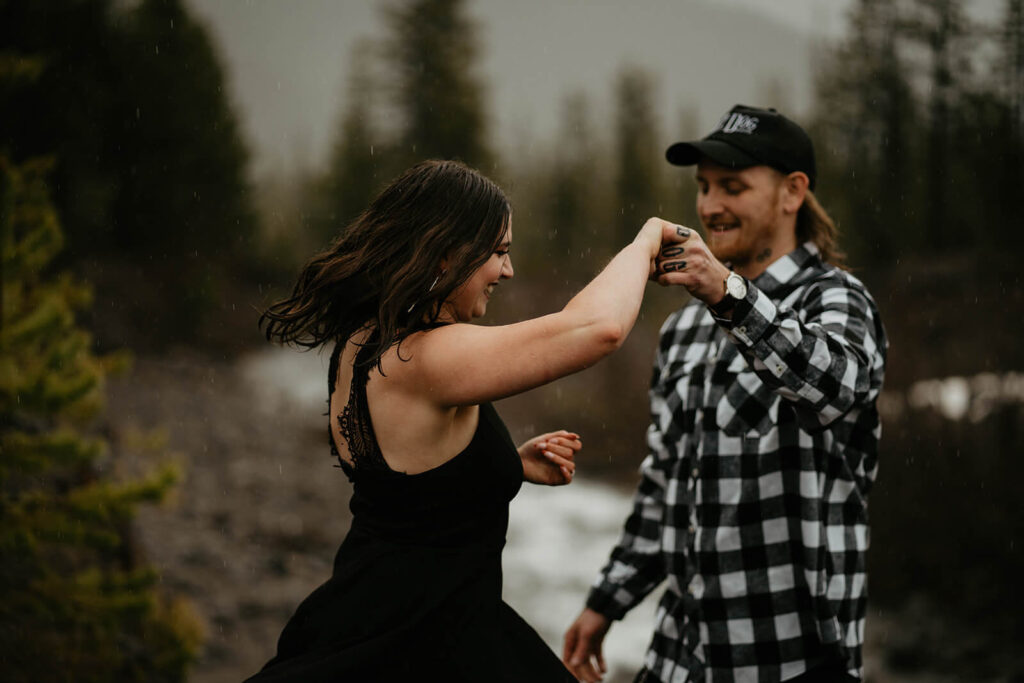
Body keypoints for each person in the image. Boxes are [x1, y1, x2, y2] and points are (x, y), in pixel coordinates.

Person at [245, 159, 686, 682]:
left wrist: (499, 465)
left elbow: (406, 491)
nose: (508, 270)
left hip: (363, 615)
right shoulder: (428, 357)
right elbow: (597, 330)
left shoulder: (362, 342)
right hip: (428, 641)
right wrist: (646, 241)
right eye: (498, 253)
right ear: (449, 253)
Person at [563, 105, 888, 683]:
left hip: (792, 658)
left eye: (732, 187)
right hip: (682, 654)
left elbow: (836, 387)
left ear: (792, 193)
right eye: (704, 187)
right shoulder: (683, 329)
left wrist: (729, 296)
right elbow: (666, 484)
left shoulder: (838, 300)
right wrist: (607, 600)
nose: (710, 206)